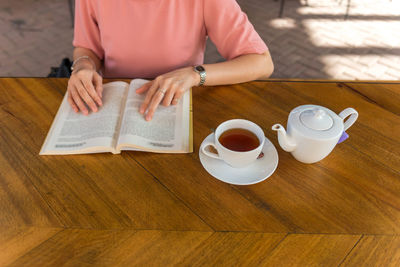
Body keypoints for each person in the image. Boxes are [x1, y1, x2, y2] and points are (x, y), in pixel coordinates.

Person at [68, 0, 274, 121]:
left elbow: (262, 63)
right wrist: (82, 67)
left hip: (178, 103)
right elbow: (87, 47)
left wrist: (196, 74)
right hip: (111, 102)